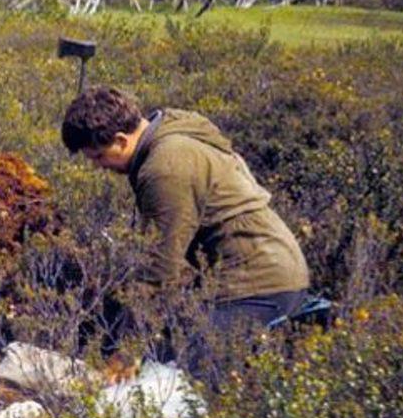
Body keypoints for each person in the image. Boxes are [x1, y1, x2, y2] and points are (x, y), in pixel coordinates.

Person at [61, 85, 311, 381]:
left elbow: (159, 268)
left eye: (99, 157)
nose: (97, 167)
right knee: (166, 350)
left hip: (258, 284)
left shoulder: (165, 168)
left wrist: (126, 352)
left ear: (120, 139)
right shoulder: (171, 131)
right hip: (270, 270)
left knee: (174, 381)